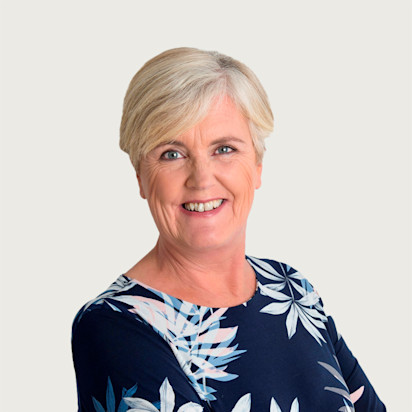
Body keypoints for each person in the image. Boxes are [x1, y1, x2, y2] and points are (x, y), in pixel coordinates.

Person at [71, 47, 385, 412]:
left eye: (224, 149)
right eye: (172, 153)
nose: (201, 179)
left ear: (257, 165)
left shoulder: (292, 290)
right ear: (140, 176)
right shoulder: (116, 325)